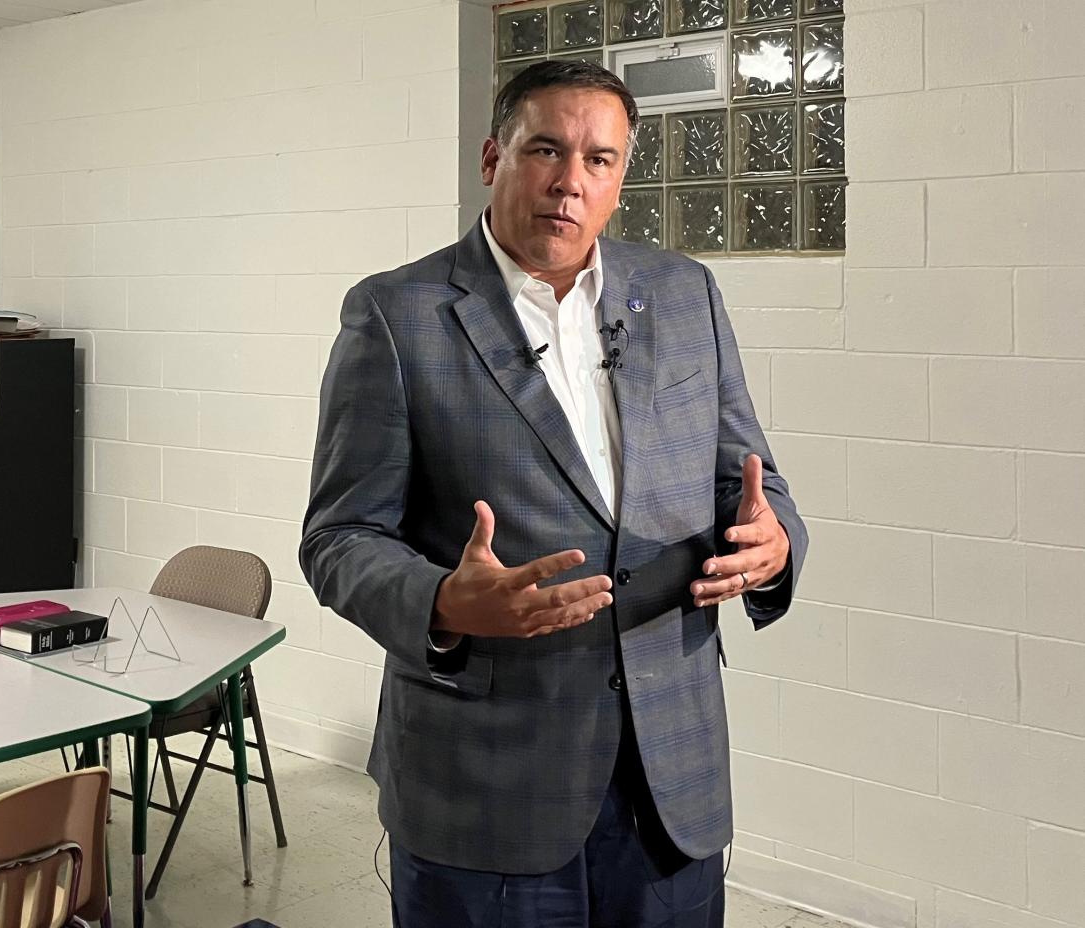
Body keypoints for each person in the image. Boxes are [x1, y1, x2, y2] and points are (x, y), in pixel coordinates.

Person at [300, 60, 807, 928]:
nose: (571, 183)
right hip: (485, 786)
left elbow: (747, 476)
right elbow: (339, 536)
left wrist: (775, 543)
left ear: (620, 179)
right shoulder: (398, 314)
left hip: (669, 779)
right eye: (546, 150)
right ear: (493, 157)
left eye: (600, 160)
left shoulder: (684, 295)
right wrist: (443, 603)